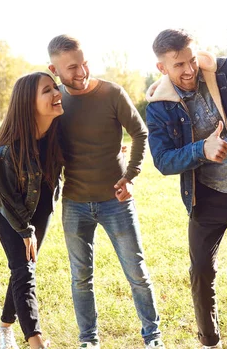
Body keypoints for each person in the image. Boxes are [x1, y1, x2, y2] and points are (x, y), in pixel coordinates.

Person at [145, 29, 227, 349]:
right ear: (162, 68)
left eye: (191, 60)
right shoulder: (160, 105)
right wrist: (202, 149)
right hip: (205, 195)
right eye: (178, 66)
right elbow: (162, 160)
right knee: (201, 271)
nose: (189, 70)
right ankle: (209, 340)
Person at [47, 35, 164, 349]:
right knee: (80, 277)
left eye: (84, 62)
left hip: (116, 200)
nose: (82, 70)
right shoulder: (55, 99)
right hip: (74, 202)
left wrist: (131, 175)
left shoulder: (112, 93)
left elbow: (140, 132)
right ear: (53, 69)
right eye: (72, 67)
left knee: (136, 272)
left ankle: (152, 337)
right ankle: (88, 340)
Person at [0, 72, 64, 349]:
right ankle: (35, 341)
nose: (57, 93)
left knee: (24, 268)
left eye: (56, 87)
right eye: (47, 91)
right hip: (8, 209)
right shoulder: (5, 153)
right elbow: (4, 198)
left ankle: (4, 326)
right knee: (24, 270)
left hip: (42, 206)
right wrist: (24, 230)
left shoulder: (56, 131)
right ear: (28, 104)